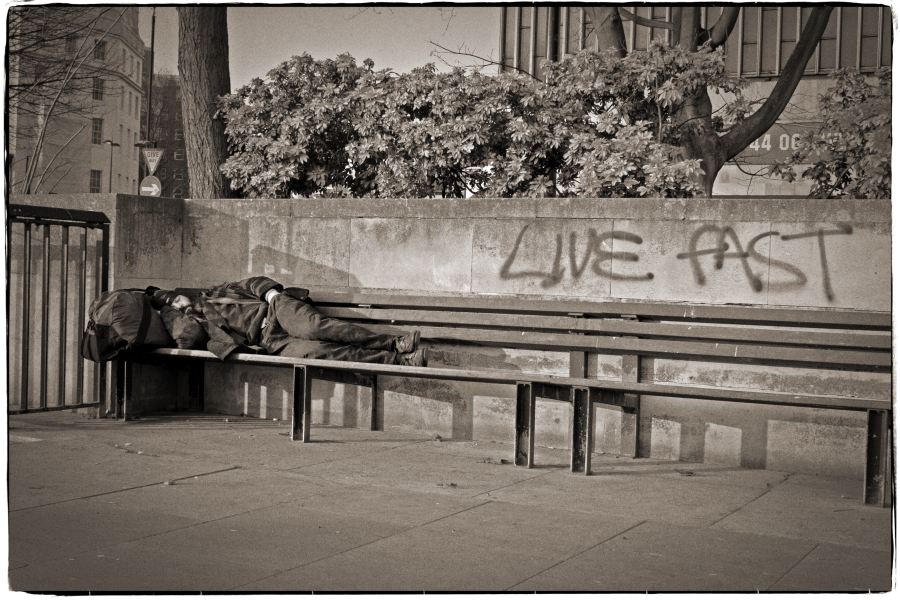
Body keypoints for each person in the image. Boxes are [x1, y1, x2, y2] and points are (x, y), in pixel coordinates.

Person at [148, 276, 426, 366]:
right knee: (319, 353)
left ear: (181, 294)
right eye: (173, 306)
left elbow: (251, 282)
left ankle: (394, 342)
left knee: (316, 327)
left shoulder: (215, 293)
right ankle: (401, 362)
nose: (179, 305)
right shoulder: (201, 330)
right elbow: (191, 338)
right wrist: (177, 316)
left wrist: (270, 294)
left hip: (275, 311)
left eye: (176, 300)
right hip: (269, 341)